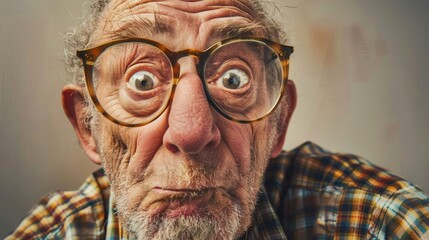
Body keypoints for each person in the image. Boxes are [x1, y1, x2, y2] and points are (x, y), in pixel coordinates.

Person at [6, 0, 429, 239]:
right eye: (142, 80)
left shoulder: (366, 221)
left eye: (233, 78)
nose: (191, 131)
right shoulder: (60, 232)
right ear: (88, 126)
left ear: (278, 123)